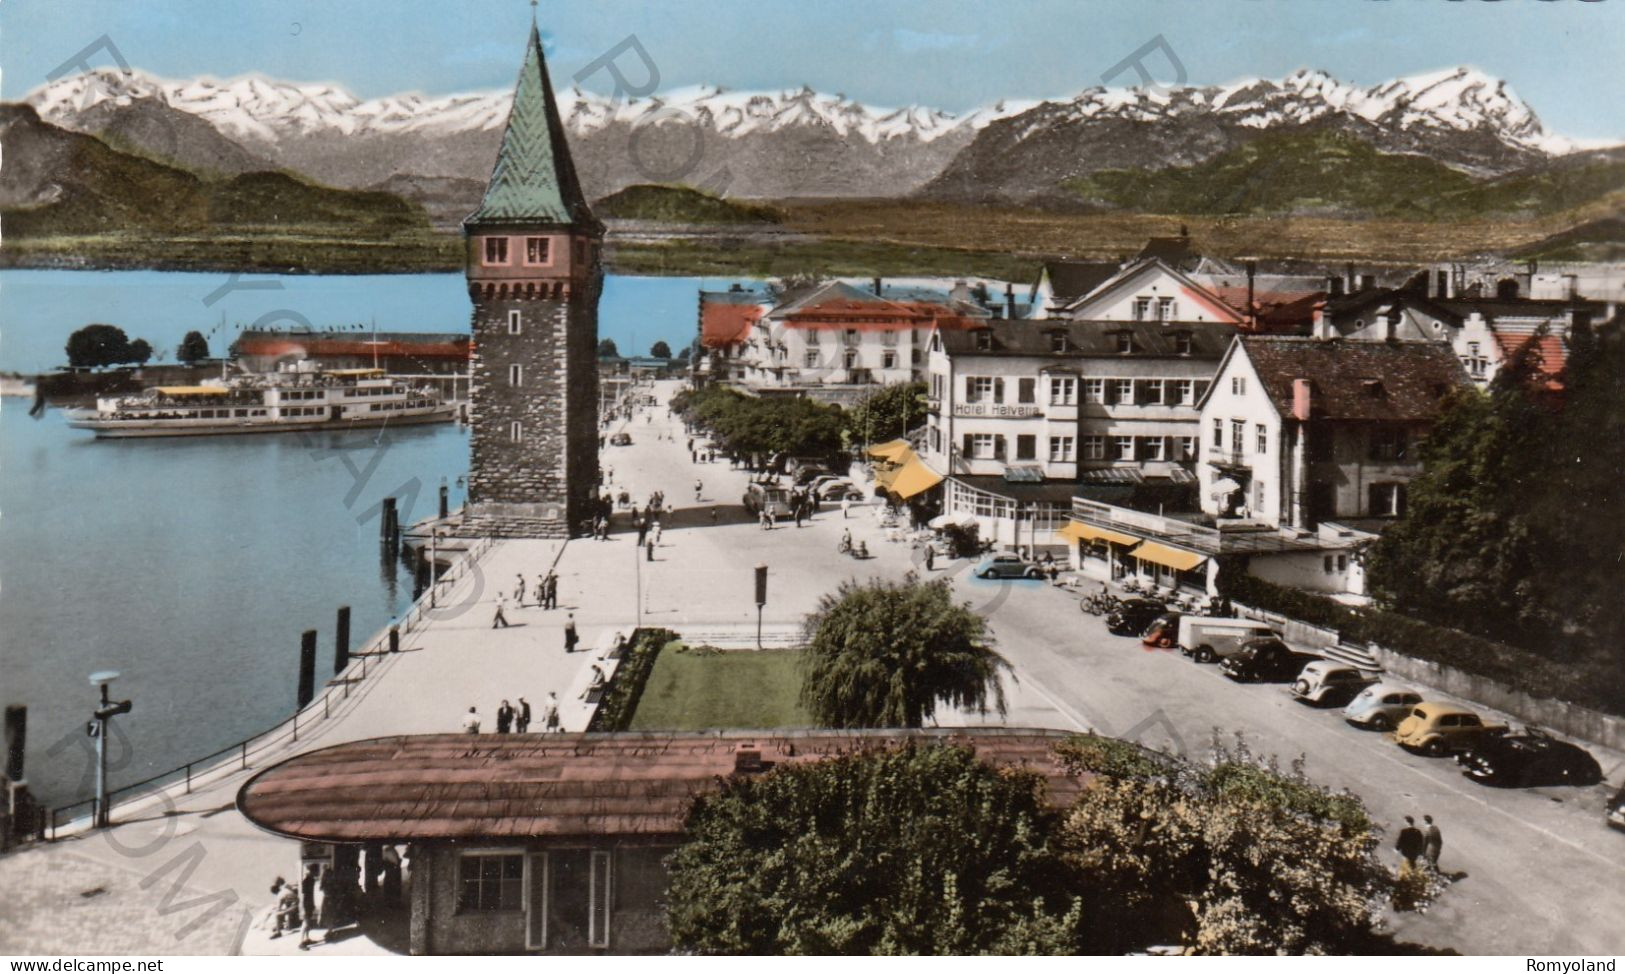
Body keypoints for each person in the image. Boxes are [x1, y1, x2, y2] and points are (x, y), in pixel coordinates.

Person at [298, 863, 321, 950]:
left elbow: (311, 894)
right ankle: (301, 943)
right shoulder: (306, 880)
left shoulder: (311, 880)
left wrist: (313, 904)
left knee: (308, 923)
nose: (318, 873)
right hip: (306, 905)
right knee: (305, 923)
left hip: (310, 904)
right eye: (317, 871)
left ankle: (307, 939)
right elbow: (303, 896)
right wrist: (303, 908)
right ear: (313, 871)